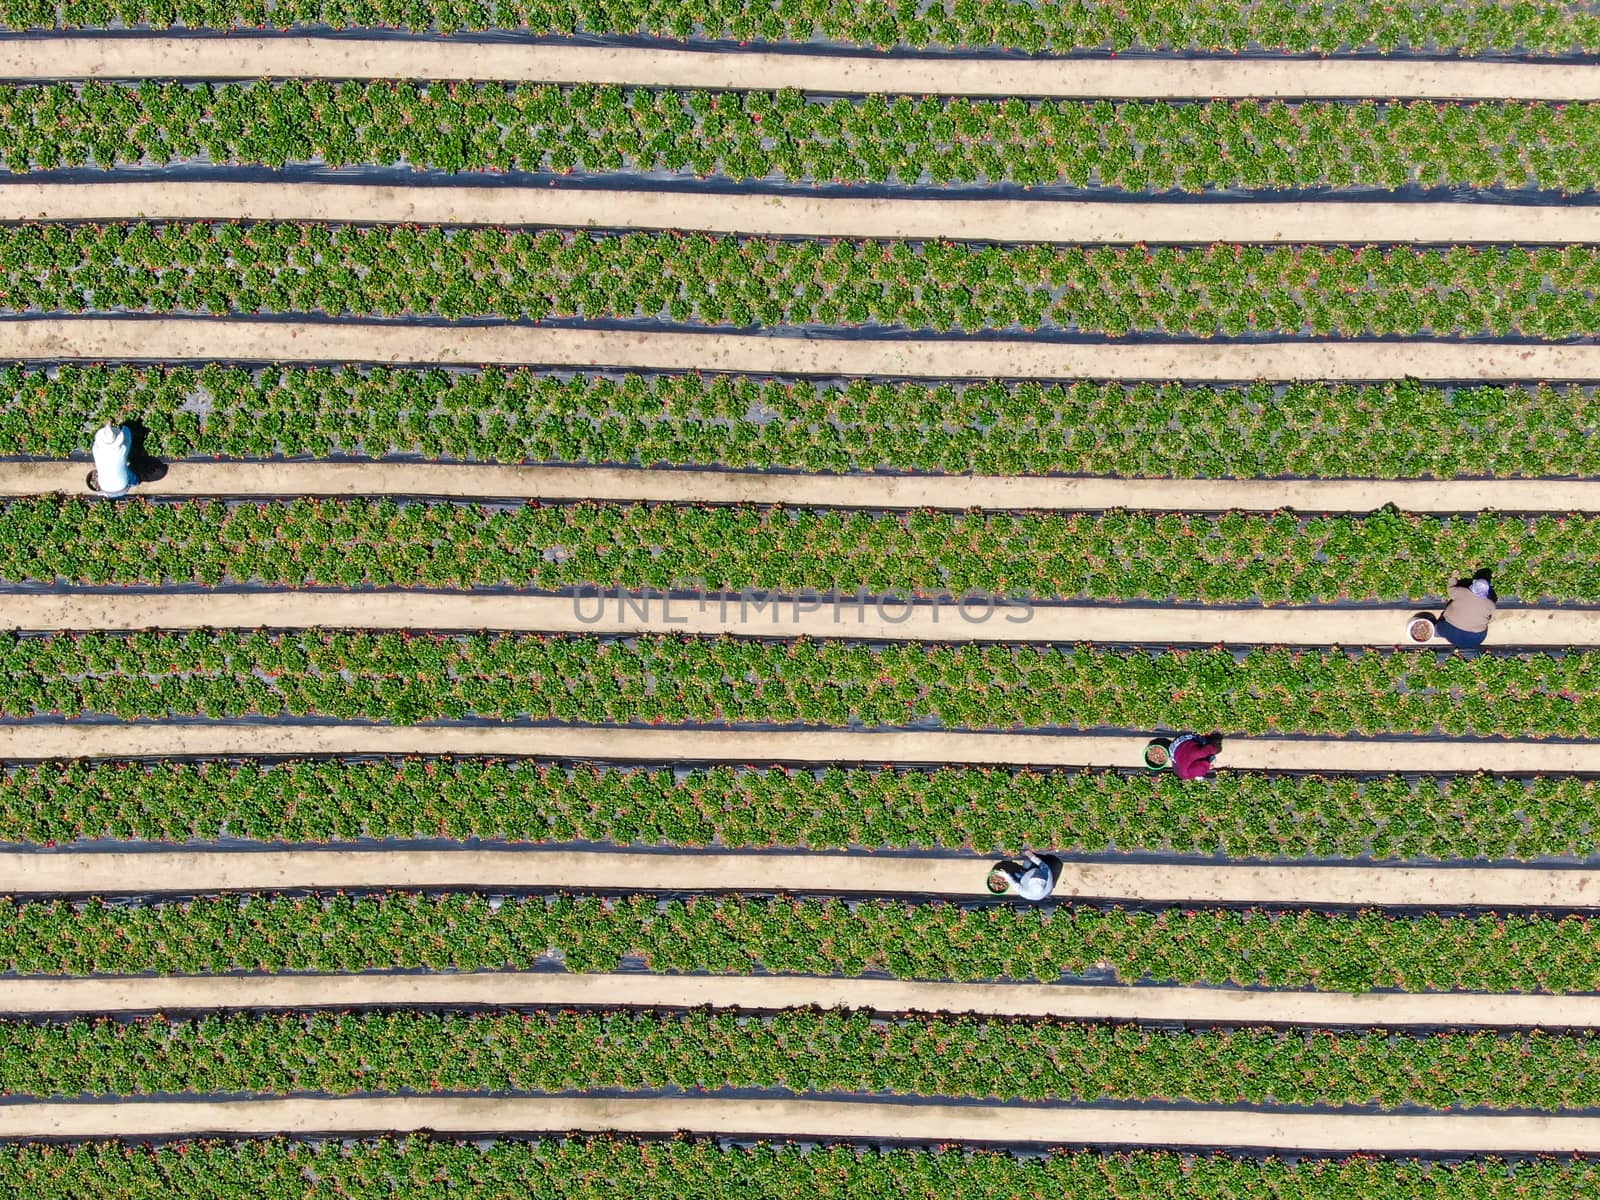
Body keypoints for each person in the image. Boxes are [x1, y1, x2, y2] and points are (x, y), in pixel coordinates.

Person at [1436, 575, 1496, 648]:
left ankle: (1437, 633)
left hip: (1451, 631)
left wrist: (1453, 578)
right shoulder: (1490, 605)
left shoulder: (1462, 592)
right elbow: (1491, 618)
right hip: (1475, 640)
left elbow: (1450, 590)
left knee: (1440, 628)